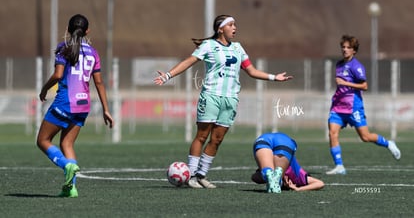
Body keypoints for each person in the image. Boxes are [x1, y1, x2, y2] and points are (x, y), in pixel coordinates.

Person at [154, 15, 293, 188]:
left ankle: (202, 175)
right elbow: (188, 62)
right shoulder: (208, 45)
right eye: (231, 25)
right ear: (220, 29)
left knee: (217, 139)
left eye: (235, 25)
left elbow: (251, 70)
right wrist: (168, 75)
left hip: (230, 99)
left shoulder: (238, 48)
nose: (235, 28)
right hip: (211, 96)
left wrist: (274, 77)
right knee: (202, 136)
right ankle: (190, 176)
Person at [37, 14, 114, 197]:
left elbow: (57, 75)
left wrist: (44, 89)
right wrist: (106, 109)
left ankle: (67, 165)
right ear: (87, 31)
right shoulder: (93, 52)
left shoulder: (64, 48)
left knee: (43, 141)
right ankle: (71, 188)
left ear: (68, 30)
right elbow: (100, 83)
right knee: (67, 143)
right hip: (83, 106)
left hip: (65, 103)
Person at [326, 35, 401, 175]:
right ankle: (339, 166)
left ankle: (389, 143)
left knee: (365, 137)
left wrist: (345, 83)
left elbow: (364, 86)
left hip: (353, 106)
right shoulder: (339, 64)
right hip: (338, 106)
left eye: (348, 47)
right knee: (332, 133)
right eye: (343, 47)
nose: (345, 50)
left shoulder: (357, 66)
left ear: (354, 50)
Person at [251, 155, 325, 192]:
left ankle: (273, 179)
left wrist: (296, 188)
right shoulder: (298, 177)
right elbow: (320, 183)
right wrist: (298, 189)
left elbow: (254, 178)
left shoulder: (296, 179)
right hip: (283, 150)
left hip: (277, 150)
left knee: (259, 177)